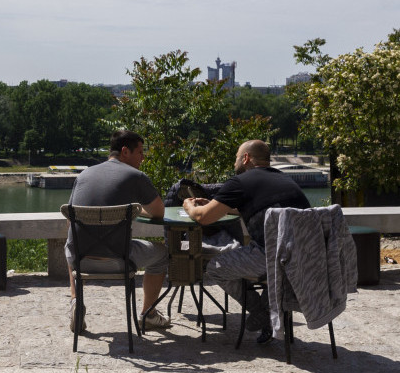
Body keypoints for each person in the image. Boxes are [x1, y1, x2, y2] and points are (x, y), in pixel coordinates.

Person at [183, 139, 310, 344]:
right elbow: (264, 208)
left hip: (270, 259)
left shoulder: (240, 182)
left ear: (246, 158)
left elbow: (203, 218)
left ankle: (261, 311)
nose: (235, 163)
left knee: (215, 268)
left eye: (236, 158)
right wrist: (218, 205)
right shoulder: (285, 181)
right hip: (303, 260)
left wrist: (189, 206)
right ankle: (269, 307)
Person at [65, 130, 171, 333]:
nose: (143, 158)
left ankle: (76, 301)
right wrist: (137, 209)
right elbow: (158, 212)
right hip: (119, 260)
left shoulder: (84, 174)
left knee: (71, 242)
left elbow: (71, 221)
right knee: (162, 254)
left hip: (79, 260)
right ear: (125, 152)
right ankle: (148, 314)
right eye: (140, 152)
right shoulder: (136, 176)